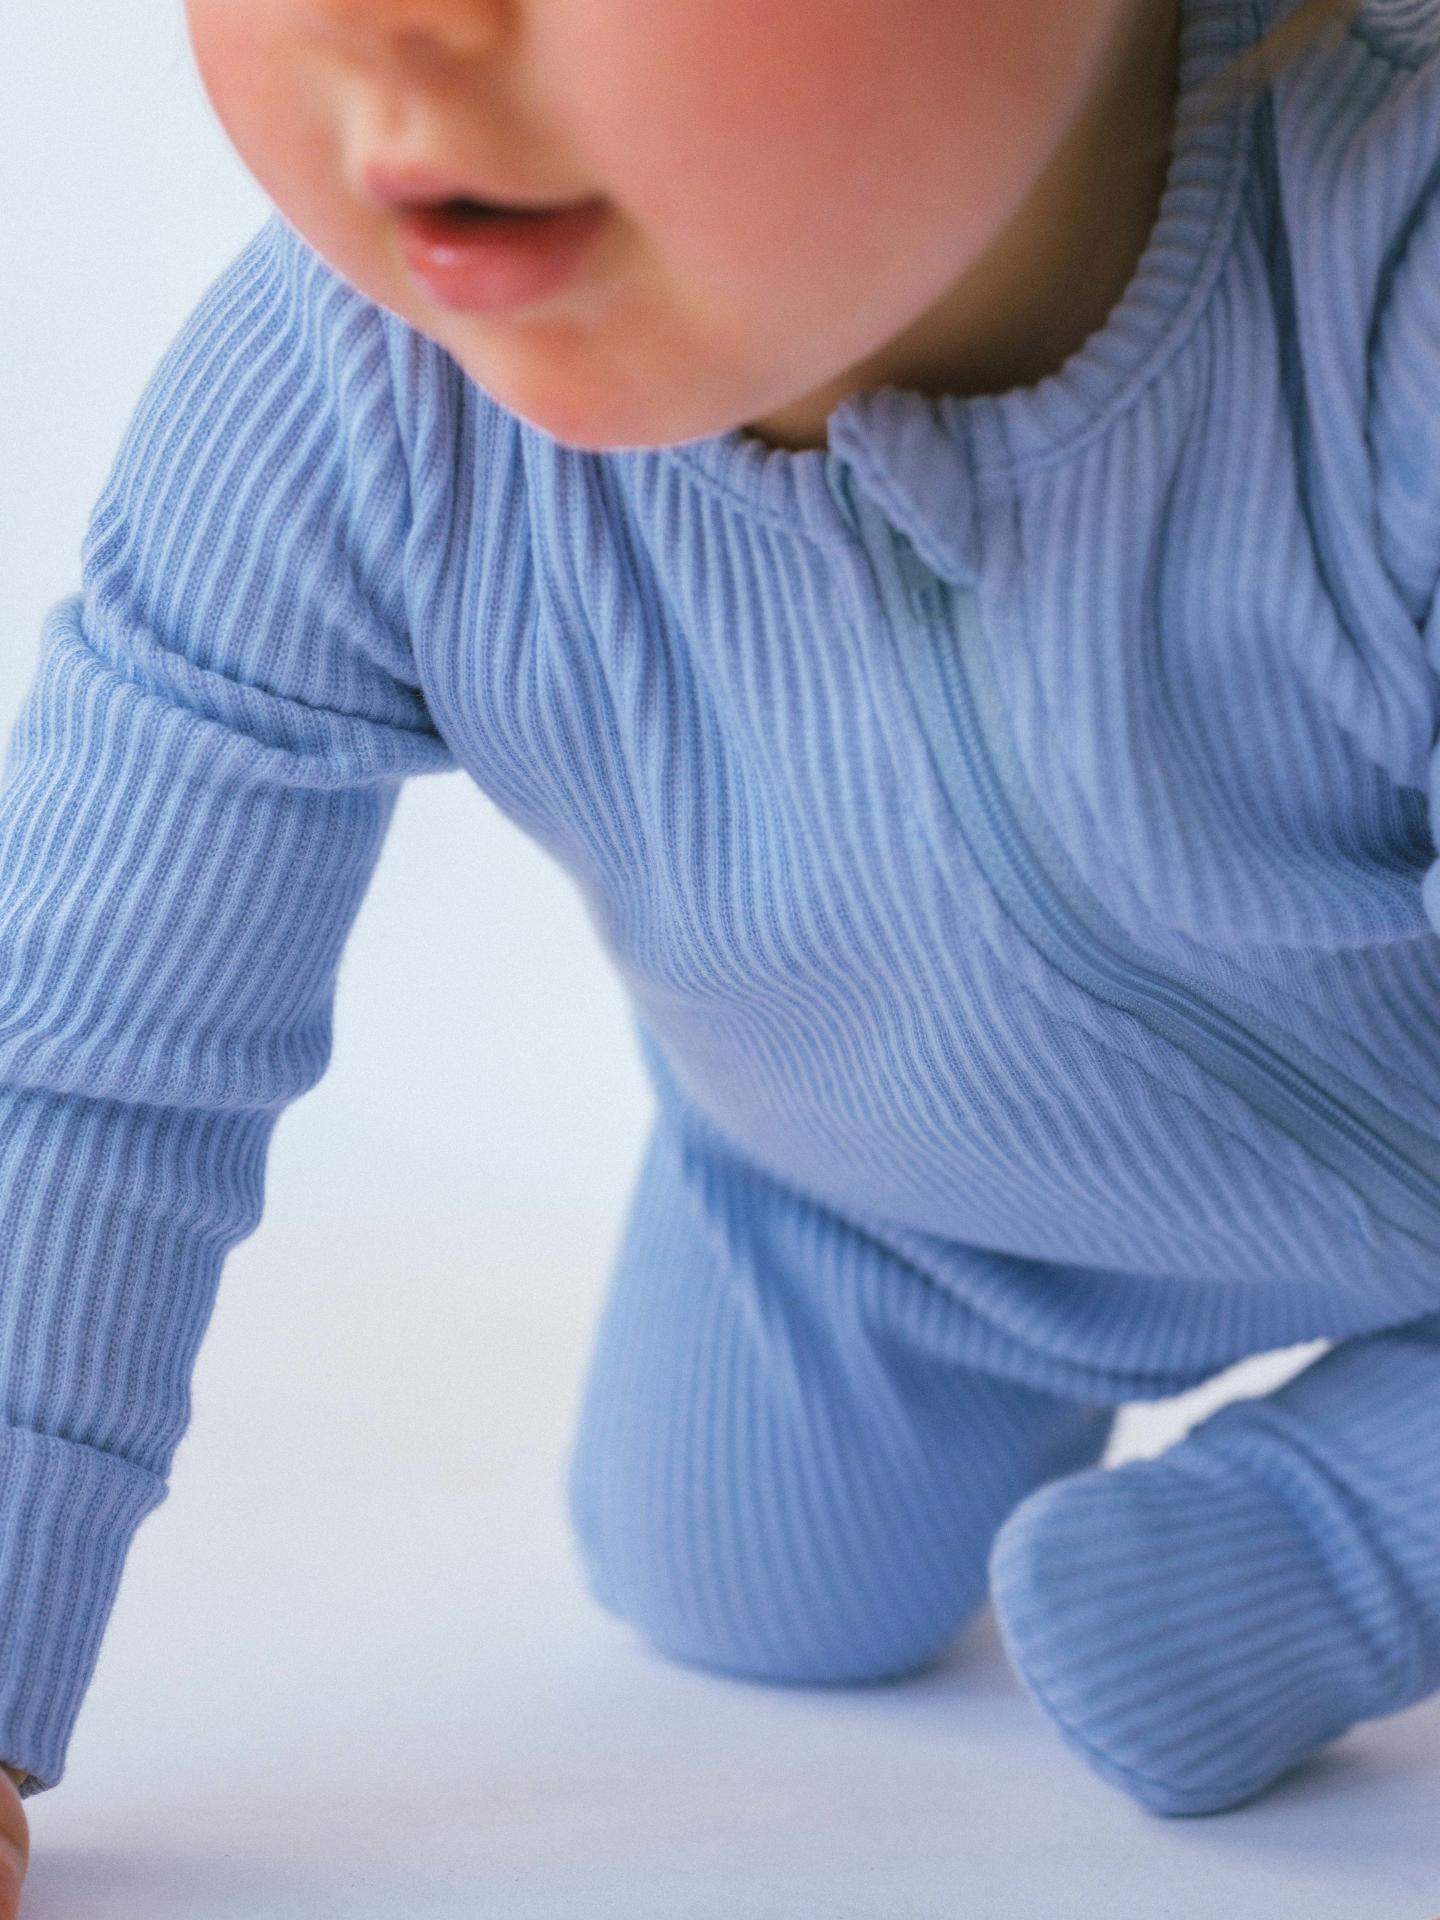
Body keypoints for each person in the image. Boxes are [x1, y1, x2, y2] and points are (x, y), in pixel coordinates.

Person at [1, 0, 1437, 1898]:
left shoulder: (1390, 273)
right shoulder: (343, 401)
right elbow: (78, 1055)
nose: (380, 24)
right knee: (740, 1581)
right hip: (898, 1204)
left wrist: (1338, 1540)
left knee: (1249, 1582)